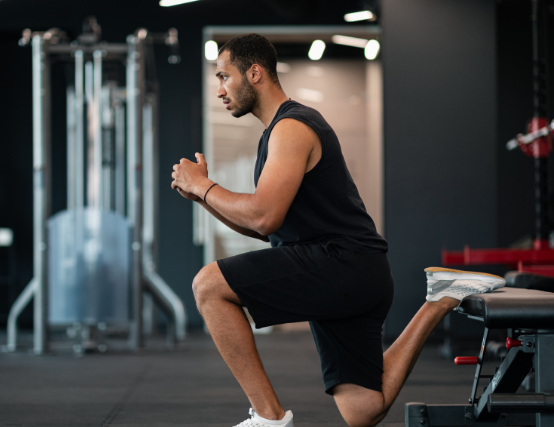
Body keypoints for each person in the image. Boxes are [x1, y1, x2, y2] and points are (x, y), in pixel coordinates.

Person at [170, 33, 505, 427]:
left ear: (255, 72)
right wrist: (202, 197)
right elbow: (266, 230)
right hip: (354, 271)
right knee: (362, 410)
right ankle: (439, 301)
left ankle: (269, 418)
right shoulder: (278, 132)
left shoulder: (292, 128)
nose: (220, 89)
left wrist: (203, 186)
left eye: (224, 76)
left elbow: (263, 217)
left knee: (208, 285)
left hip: (341, 264)